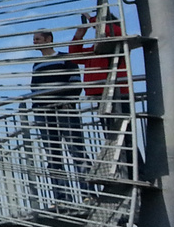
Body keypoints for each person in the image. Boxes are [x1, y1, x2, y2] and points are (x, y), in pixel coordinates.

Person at [71, 11, 132, 178]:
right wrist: (79, 36)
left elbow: (117, 32)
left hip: (117, 95)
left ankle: (135, 173)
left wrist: (94, 20)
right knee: (113, 137)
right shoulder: (97, 48)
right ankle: (125, 172)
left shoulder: (115, 41)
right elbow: (75, 56)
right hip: (102, 96)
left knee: (124, 137)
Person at [31, 29, 87, 205]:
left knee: (77, 152)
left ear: (49, 39)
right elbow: (34, 90)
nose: (35, 42)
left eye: (38, 39)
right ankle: (62, 198)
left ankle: (87, 194)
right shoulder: (37, 64)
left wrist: (67, 102)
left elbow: (76, 83)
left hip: (64, 111)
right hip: (45, 114)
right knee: (53, 156)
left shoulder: (66, 58)